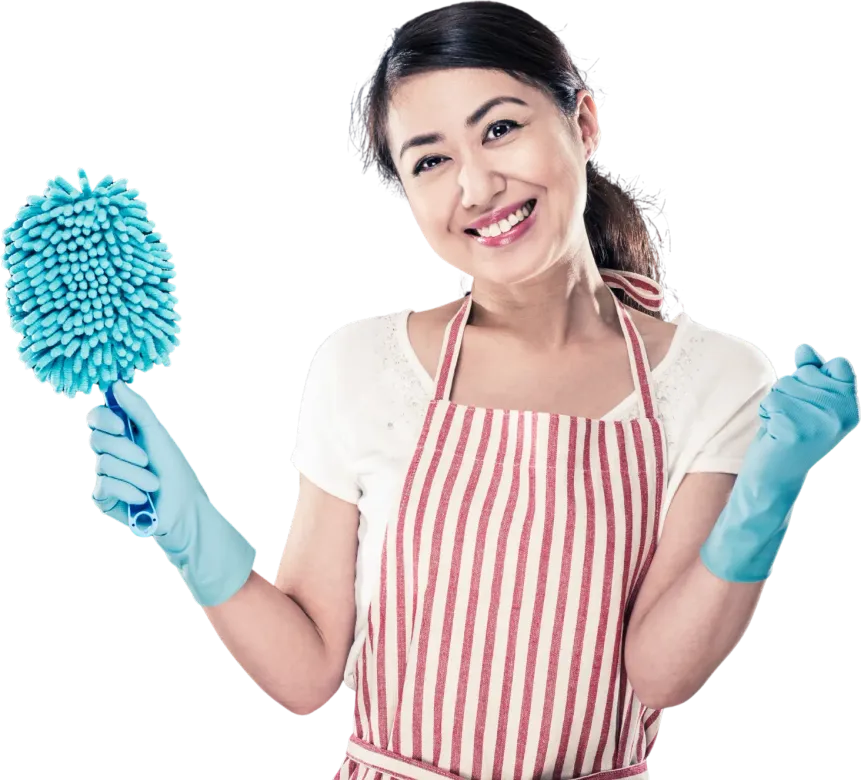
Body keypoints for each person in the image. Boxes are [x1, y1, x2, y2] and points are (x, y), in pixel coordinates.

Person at [86, 2, 859, 779]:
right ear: (411, 204)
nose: (478, 184)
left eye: (499, 129)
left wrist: (766, 494)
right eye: (429, 161)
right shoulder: (363, 365)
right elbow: (305, 675)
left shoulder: (712, 381)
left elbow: (659, 675)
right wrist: (193, 533)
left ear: (583, 124)